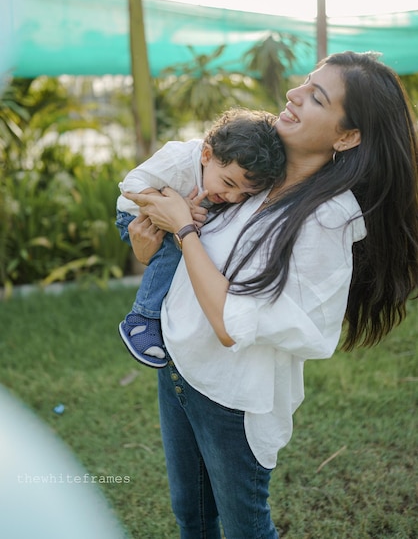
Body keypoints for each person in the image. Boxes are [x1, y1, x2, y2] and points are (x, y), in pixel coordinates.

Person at [123, 51, 418, 538]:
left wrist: (183, 231)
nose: (293, 94)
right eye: (304, 83)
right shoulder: (258, 172)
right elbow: (190, 263)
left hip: (231, 399)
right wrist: (148, 244)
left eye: (317, 97)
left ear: (347, 136)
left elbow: (230, 323)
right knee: (191, 516)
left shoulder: (327, 219)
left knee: (245, 528)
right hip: (178, 368)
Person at [115, 108, 285, 368]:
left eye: (245, 194)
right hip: (136, 217)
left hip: (175, 222)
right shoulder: (178, 158)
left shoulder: (222, 181)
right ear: (207, 155)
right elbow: (131, 184)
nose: (233, 197)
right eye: (228, 183)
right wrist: (177, 207)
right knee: (173, 250)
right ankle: (142, 318)